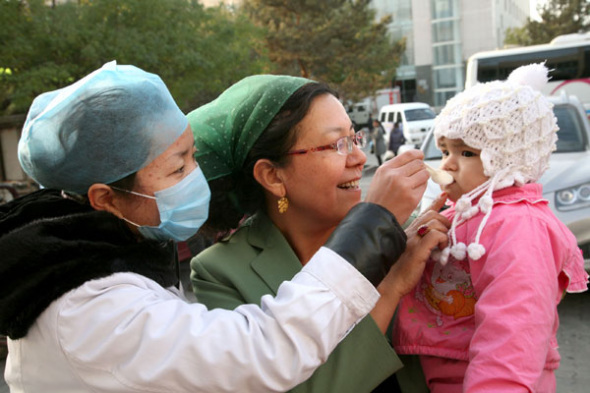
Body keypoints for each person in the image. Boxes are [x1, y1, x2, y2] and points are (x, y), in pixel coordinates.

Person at [0, 62, 446, 392]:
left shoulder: (95, 261)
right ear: (104, 199)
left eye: (193, 155)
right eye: (177, 169)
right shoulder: (95, 311)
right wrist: (374, 229)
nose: (359, 158)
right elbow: (265, 351)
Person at [187, 75, 451, 393]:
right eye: (337, 145)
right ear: (272, 175)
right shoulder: (219, 272)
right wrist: (391, 284)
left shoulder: (406, 232)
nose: (359, 158)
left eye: (355, 139)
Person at [392, 63, 589, 392]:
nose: (448, 164)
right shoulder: (466, 211)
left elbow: (514, 331)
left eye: (466, 152)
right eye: (445, 151)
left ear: (509, 160)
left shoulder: (518, 227)